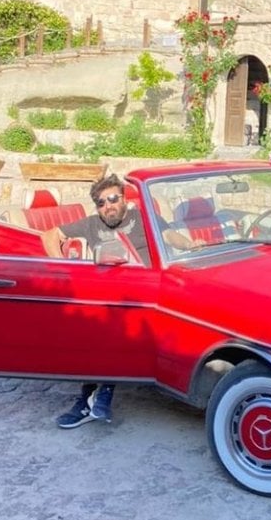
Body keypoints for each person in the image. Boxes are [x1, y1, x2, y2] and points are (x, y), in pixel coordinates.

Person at [41, 173, 205, 429]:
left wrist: (194, 247)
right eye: (101, 203)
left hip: (147, 292)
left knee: (111, 329)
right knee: (101, 328)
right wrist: (63, 268)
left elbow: (170, 237)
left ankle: (94, 397)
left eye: (113, 199)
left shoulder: (143, 218)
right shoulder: (92, 224)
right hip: (109, 296)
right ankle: (94, 397)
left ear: (124, 200)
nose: (108, 206)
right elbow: (49, 235)